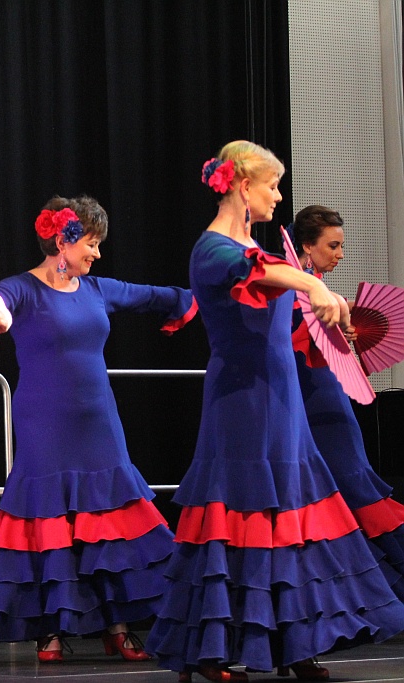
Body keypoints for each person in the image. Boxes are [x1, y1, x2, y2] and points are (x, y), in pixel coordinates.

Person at [145, 141, 404, 683]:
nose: (278, 196)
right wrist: (310, 281)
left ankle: (295, 643)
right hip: (242, 405)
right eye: (272, 185)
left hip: (284, 405)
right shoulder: (213, 249)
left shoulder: (261, 251)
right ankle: (210, 650)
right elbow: (254, 270)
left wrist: (333, 309)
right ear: (244, 187)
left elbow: (282, 297)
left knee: (294, 520)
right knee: (239, 518)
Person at [0, 195, 198, 663]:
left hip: (99, 423)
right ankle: (50, 628)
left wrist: (205, 295)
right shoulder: (24, 290)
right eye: (91, 243)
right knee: (49, 519)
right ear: (63, 242)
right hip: (44, 423)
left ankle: (117, 625)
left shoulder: (97, 289)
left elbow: (156, 296)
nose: (97, 253)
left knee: (106, 521)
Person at [290, 204, 404, 601]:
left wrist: (343, 321)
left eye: (341, 245)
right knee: (332, 497)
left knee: (355, 486)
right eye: (333, 245)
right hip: (304, 401)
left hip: (325, 401)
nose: (340, 254)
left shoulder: (316, 289)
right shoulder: (297, 286)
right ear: (307, 246)